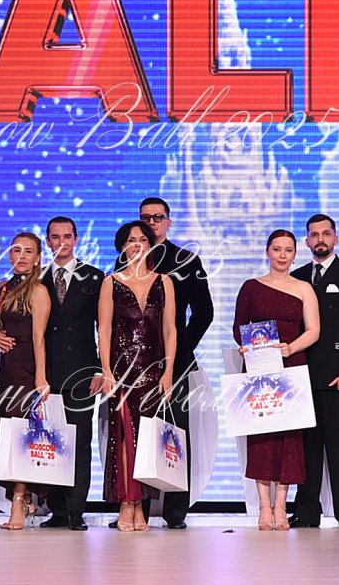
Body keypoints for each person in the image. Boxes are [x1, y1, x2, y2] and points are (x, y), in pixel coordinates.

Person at [233, 229, 320, 531]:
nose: (282, 255)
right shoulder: (251, 287)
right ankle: (264, 506)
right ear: (267, 251)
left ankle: (281, 506)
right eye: (277, 249)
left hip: (292, 366)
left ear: (295, 254)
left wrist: (290, 348)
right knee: (261, 438)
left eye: (288, 250)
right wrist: (247, 346)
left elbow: (314, 330)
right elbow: (239, 327)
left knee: (289, 440)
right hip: (259, 368)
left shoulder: (304, 288)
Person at [289, 214, 339, 530]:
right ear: (306, 241)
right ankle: (306, 511)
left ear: (336, 238)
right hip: (303, 377)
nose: (320, 239)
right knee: (306, 449)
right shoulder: (296, 278)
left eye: (325, 233)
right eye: (314, 234)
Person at [139, 196, 213, 529]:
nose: (152, 223)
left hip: (176, 362)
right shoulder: (127, 259)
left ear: (168, 222)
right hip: (135, 361)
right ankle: (137, 508)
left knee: (176, 432)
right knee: (139, 432)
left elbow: (205, 312)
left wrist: (182, 347)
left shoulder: (186, 260)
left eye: (158, 217)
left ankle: (176, 510)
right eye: (146, 218)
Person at [98, 221, 177, 532]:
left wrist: (169, 371)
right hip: (121, 371)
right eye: (131, 240)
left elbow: (170, 329)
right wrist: (106, 370)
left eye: (143, 239)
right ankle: (125, 503)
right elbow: (104, 329)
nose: (137, 245)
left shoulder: (164, 282)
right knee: (123, 437)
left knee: (147, 439)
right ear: (122, 246)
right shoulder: (111, 282)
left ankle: (140, 504)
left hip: (154, 370)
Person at [38, 216, 105, 531]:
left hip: (83, 372)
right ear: (47, 241)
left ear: (76, 239)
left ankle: (77, 511)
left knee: (79, 443)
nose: (61, 242)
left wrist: (102, 368)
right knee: (52, 441)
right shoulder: (38, 278)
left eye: (67, 236)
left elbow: (105, 327)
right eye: (55, 237)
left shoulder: (95, 277)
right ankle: (58, 510)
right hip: (48, 374)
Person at [0, 232, 52, 530]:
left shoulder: (38, 290)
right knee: (8, 432)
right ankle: (21, 498)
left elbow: (39, 337)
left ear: (38, 258)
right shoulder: (2, 287)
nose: (22, 256)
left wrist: (40, 377)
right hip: (7, 368)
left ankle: (19, 499)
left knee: (23, 434)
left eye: (28, 251)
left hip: (27, 368)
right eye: (16, 250)